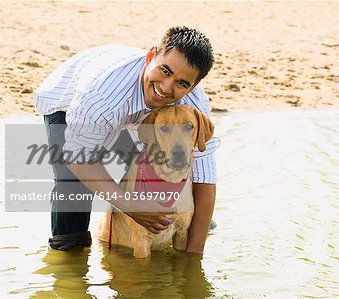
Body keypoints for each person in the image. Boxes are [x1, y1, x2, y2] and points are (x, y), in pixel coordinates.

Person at [33, 26, 219, 253]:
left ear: (193, 86)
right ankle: (69, 251)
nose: (166, 87)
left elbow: (204, 176)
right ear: (151, 56)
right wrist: (130, 206)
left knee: (163, 166)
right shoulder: (102, 94)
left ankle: (184, 220)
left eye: (182, 83)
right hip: (69, 100)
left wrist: (194, 253)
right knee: (72, 181)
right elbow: (78, 158)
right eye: (165, 71)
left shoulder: (195, 105)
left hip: (136, 113)